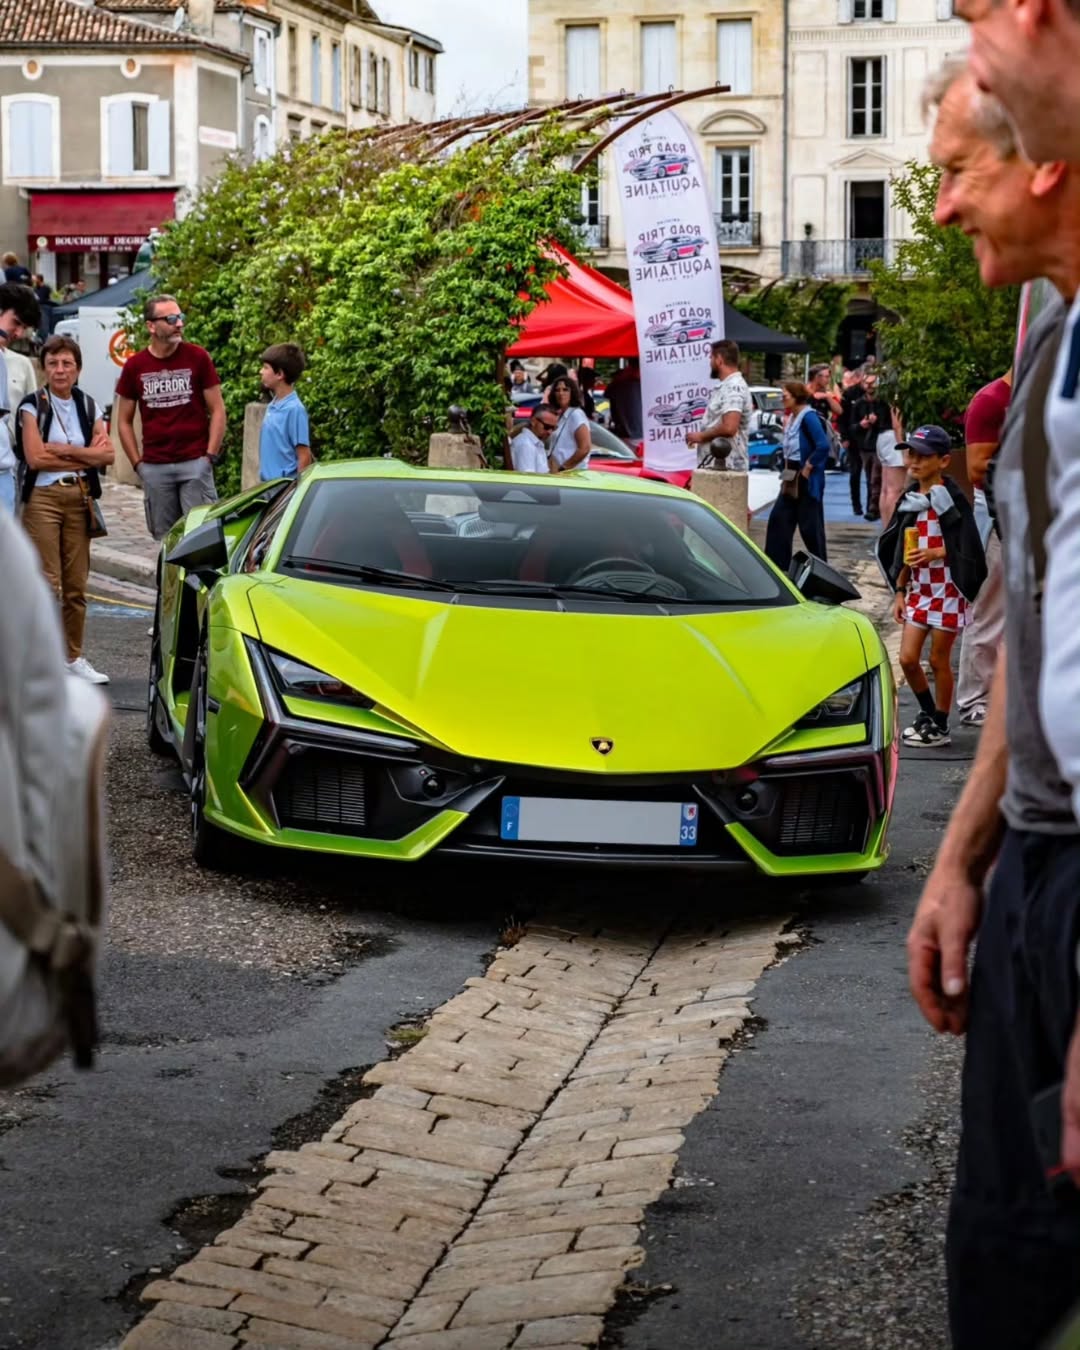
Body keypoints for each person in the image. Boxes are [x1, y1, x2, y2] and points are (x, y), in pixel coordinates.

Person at [908, 59, 1080, 1350]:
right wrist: (964, 858)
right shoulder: (1050, 346)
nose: (943, 208)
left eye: (960, 172)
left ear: (1047, 161)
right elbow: (1032, 635)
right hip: (1037, 862)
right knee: (1004, 1258)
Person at [879, 425, 985, 748]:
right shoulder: (910, 501)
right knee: (908, 658)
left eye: (923, 456)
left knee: (939, 660)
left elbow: (969, 546)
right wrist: (900, 591)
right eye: (911, 454)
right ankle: (929, 713)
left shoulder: (952, 501)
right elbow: (902, 551)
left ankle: (940, 723)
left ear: (943, 461)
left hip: (948, 590)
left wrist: (937, 552)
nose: (914, 461)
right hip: (920, 591)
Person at [16, 336, 114, 685]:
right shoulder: (32, 406)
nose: (60, 370)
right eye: (53, 363)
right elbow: (35, 457)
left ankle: (72, 657)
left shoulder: (88, 405)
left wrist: (63, 451)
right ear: (44, 368)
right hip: (43, 498)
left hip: (80, 497)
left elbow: (107, 455)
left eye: (67, 363)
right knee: (47, 583)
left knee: (76, 585)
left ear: (78, 369)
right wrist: (84, 455)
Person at [114, 295, 226, 540]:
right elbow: (123, 420)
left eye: (180, 317)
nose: (179, 324)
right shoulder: (135, 366)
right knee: (167, 541)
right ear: (151, 326)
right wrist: (138, 464)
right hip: (155, 467)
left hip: (195, 462)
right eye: (171, 319)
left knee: (202, 538)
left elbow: (218, 409)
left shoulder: (198, 357)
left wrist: (209, 457)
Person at [955, 369, 1011, 727]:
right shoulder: (991, 401)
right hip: (996, 517)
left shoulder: (1042, 394)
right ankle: (975, 699)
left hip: (1032, 514)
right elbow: (976, 469)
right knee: (988, 612)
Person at [763, 382, 830, 572]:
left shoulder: (808, 417)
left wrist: (808, 467)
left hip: (805, 476)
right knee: (779, 520)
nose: (782, 399)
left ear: (796, 396)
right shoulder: (792, 417)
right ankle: (777, 566)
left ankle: (821, 570)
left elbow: (822, 445)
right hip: (790, 474)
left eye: (785, 395)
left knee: (810, 526)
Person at [0, 283, 41, 514]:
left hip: (7, 468)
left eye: (23, 328)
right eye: (15, 322)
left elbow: (30, 419)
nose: (17, 333)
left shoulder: (18, 363)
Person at [686, 339, 751, 471]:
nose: (710, 362)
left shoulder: (733, 387)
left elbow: (729, 427)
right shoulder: (727, 386)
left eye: (711, 357)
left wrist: (701, 436)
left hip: (726, 470)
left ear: (719, 360)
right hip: (718, 468)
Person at [258, 343, 311, 482]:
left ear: (280, 374)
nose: (261, 372)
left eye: (265, 368)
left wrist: (296, 489)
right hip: (268, 486)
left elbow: (304, 456)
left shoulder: (295, 410)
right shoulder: (272, 406)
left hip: (284, 488)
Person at [851, 369, 888, 520]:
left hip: (881, 443)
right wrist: (861, 425)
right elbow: (852, 426)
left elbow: (889, 424)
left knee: (876, 477)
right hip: (864, 446)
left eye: (873, 383)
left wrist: (877, 422)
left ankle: (873, 508)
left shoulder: (883, 403)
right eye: (867, 383)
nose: (870, 386)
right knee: (869, 477)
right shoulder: (858, 404)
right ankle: (870, 508)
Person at [547, 377, 591, 472]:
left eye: (565, 390)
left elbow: (585, 448)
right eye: (557, 390)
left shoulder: (576, 414)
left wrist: (564, 468)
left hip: (571, 473)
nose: (561, 393)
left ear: (572, 393)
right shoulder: (559, 416)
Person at [508, 405, 557, 474]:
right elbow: (528, 478)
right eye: (547, 427)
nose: (550, 432)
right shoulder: (525, 445)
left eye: (553, 428)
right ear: (533, 421)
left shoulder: (535, 443)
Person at [606, 357, 643, 443]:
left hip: (625, 433)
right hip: (637, 433)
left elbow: (609, 396)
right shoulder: (646, 381)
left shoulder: (618, 382)